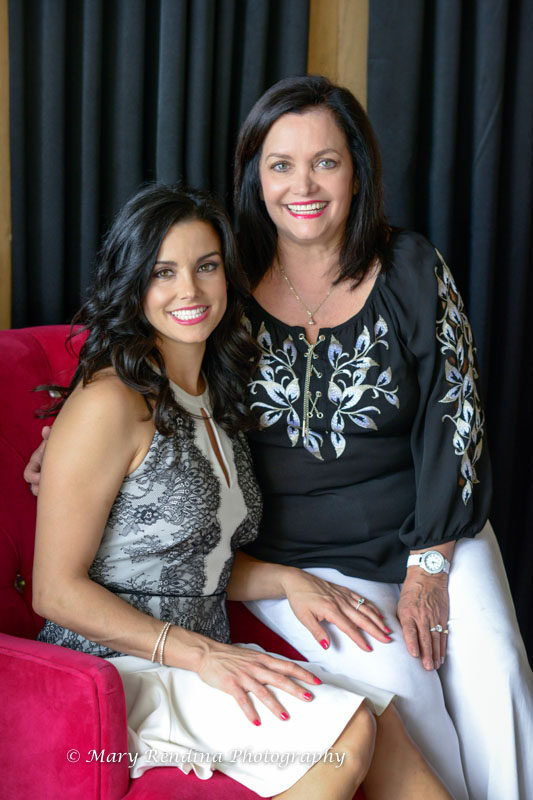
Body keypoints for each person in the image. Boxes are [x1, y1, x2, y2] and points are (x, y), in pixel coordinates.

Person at [30, 183, 452, 799]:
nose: (190, 290)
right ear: (134, 283)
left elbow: (192, 561)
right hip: (117, 670)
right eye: (163, 272)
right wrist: (200, 655)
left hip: (200, 654)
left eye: (206, 267)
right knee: (348, 733)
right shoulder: (109, 402)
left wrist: (287, 579)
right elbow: (53, 591)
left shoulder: (218, 396)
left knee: (386, 722)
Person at [229, 75, 533, 800]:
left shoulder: (411, 268)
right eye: (280, 165)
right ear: (255, 178)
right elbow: (140, 342)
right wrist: (74, 429)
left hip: (434, 532)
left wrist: (428, 564)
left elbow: (456, 415)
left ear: (357, 173)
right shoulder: (224, 282)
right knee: (412, 698)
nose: (303, 185)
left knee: (496, 676)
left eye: (325, 162)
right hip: (303, 559)